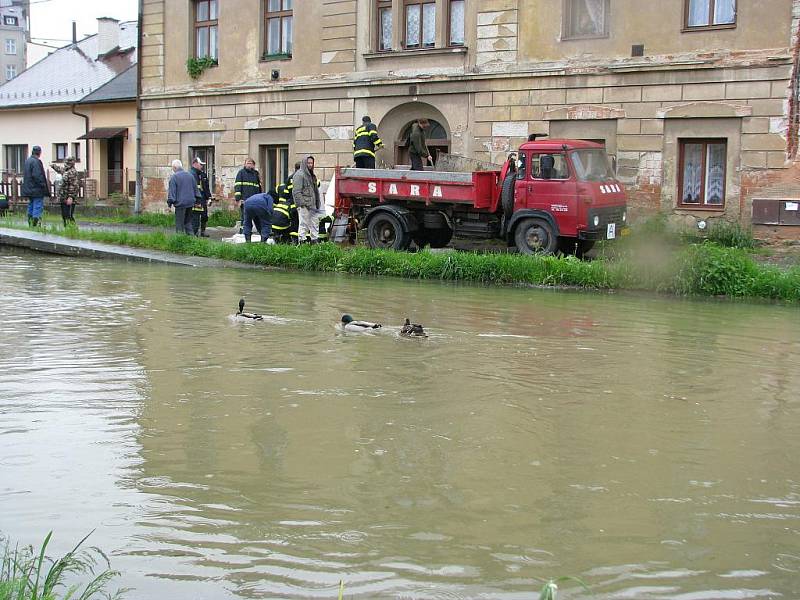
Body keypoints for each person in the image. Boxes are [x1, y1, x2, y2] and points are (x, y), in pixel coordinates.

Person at [292, 155, 323, 244]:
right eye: (308, 163)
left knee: (314, 224)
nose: (310, 165)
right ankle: (301, 242)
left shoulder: (312, 175)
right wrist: (302, 204)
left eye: (311, 163)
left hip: (312, 205)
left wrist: (317, 203)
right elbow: (296, 192)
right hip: (304, 205)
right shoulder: (299, 175)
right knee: (304, 224)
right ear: (304, 163)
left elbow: (315, 191)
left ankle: (315, 242)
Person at [167, 159, 199, 235]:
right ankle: (191, 240)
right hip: (190, 203)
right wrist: (197, 201)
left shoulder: (174, 177)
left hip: (180, 204)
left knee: (179, 224)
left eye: (172, 168)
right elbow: (196, 190)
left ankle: (180, 241)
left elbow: (172, 193)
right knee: (188, 223)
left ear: (174, 168)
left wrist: (169, 204)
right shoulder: (190, 175)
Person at [21, 146, 50, 227]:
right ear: (39, 153)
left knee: (31, 205)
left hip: (29, 188)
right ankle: (35, 224)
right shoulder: (36, 162)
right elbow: (37, 175)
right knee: (37, 206)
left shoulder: (27, 161)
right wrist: (43, 185)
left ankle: (30, 223)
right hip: (36, 189)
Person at [234, 158, 262, 231]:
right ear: (244, 164)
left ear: (254, 165)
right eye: (247, 163)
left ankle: (262, 233)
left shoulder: (256, 174)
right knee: (245, 218)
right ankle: (243, 232)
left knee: (257, 217)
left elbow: (259, 188)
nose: (249, 165)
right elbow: (238, 186)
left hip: (255, 200)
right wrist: (238, 199)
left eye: (250, 163)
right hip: (244, 200)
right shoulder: (241, 173)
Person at [51, 157, 79, 227]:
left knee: (68, 215)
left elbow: (73, 185)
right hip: (63, 197)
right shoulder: (66, 170)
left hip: (68, 197)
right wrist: (53, 166)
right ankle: (67, 229)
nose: (65, 164)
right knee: (64, 215)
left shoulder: (72, 172)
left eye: (66, 162)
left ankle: (73, 230)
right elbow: (60, 169)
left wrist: (70, 197)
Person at [190, 156, 212, 237]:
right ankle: (194, 234)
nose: (202, 166)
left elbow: (206, 187)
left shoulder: (202, 174)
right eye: (200, 164)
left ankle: (203, 232)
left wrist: (209, 197)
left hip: (202, 199)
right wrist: (196, 201)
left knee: (204, 215)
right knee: (195, 217)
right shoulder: (191, 174)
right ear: (195, 164)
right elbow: (194, 189)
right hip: (196, 200)